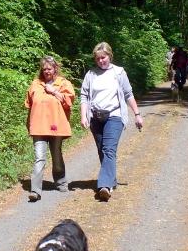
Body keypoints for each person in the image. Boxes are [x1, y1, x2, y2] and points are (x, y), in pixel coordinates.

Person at [80, 42, 143, 202]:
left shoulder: (119, 72)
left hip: (114, 116)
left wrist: (137, 114)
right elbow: (84, 96)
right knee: (102, 150)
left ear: (110, 56)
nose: (101, 61)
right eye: (98, 58)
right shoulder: (91, 74)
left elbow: (128, 94)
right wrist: (83, 116)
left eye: (104, 57)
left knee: (109, 149)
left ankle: (104, 186)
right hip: (96, 117)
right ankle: (110, 179)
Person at [25, 56, 75, 202]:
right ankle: (35, 190)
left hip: (56, 126)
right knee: (39, 157)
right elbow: (29, 105)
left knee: (56, 154)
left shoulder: (63, 83)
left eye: (49, 68)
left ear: (55, 69)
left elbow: (68, 102)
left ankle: (61, 182)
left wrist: (53, 91)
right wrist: (28, 123)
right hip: (38, 127)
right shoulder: (35, 84)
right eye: (44, 68)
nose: (47, 71)